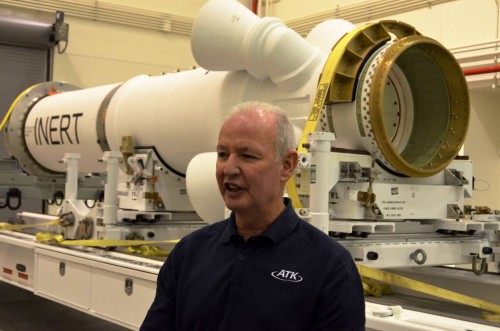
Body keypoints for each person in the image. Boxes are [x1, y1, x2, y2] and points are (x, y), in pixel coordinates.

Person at [140, 101, 366, 331]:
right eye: (222, 154)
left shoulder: (330, 266)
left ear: (287, 166)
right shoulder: (189, 253)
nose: (229, 168)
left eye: (247, 156)